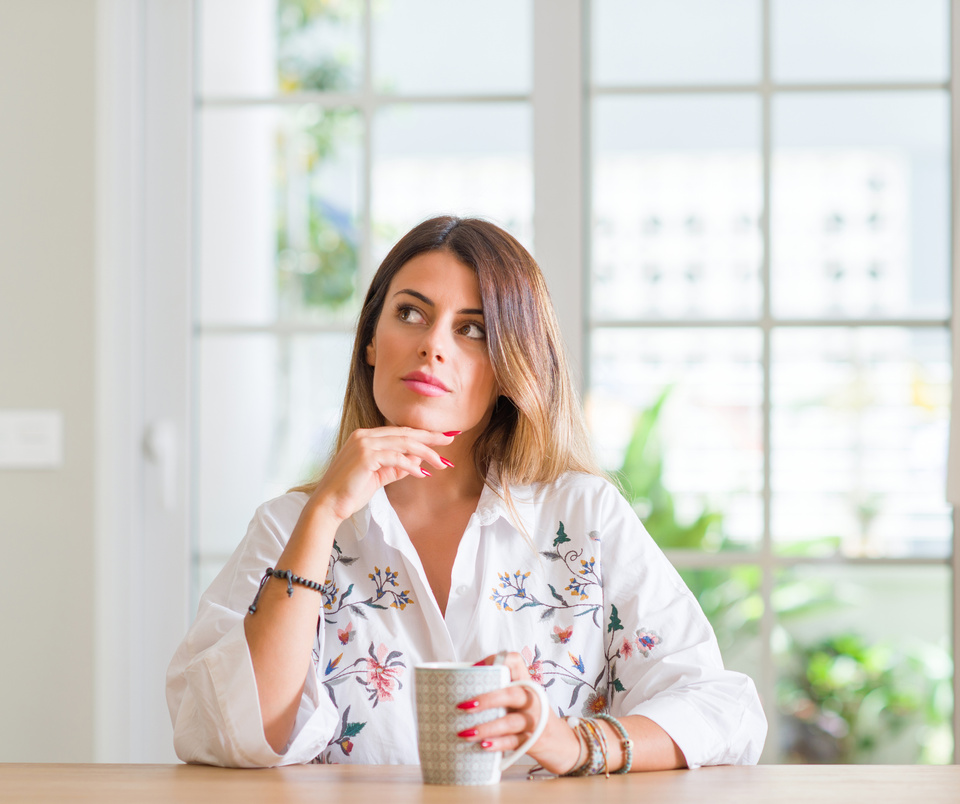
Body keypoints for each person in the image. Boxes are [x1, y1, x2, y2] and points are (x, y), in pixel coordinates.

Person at [166, 216, 767, 773]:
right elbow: (230, 735)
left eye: (472, 329)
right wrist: (325, 511)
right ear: (370, 342)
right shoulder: (290, 526)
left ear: (508, 369)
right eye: (409, 313)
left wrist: (570, 740)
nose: (433, 345)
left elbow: (723, 708)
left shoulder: (584, 516)